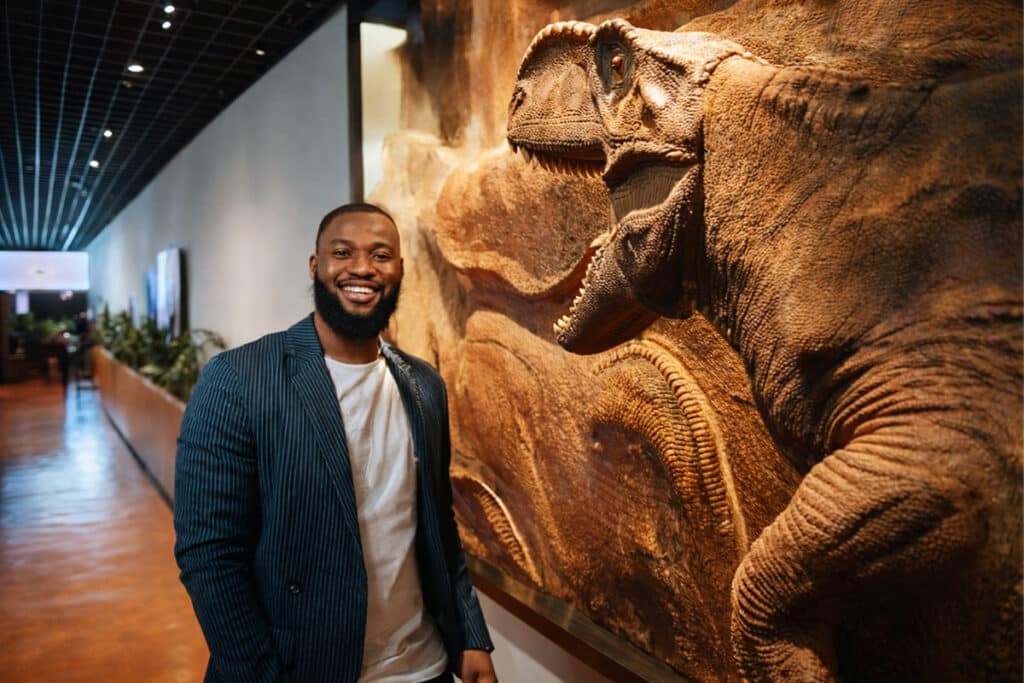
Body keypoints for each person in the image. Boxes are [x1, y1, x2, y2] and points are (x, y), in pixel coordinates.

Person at [174, 203, 497, 683]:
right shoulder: (239, 379)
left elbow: (438, 524)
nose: (362, 268)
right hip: (300, 669)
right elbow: (209, 554)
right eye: (343, 252)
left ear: (400, 270)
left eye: (380, 255)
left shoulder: (424, 386)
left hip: (422, 666)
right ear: (315, 266)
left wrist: (471, 635)